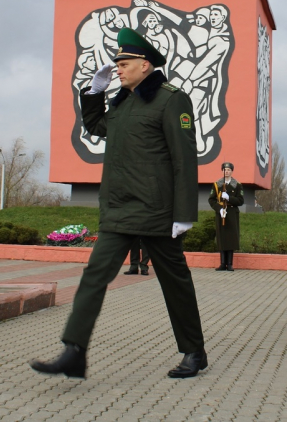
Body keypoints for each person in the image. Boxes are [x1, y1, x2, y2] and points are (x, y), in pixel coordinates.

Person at [30, 28, 207, 379]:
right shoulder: (122, 102)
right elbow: (96, 126)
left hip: (157, 212)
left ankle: (194, 351)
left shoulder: (171, 100)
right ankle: (74, 351)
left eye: (124, 63)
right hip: (119, 208)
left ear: (145, 65)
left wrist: (184, 213)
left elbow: (185, 159)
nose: (118, 69)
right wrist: (94, 93)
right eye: (117, 64)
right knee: (94, 275)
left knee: (176, 284)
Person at [208, 162, 244, 271]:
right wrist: (219, 209)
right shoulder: (217, 184)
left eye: (228, 170)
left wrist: (229, 198)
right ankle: (223, 263)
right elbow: (211, 200)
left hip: (232, 213)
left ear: (232, 171)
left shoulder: (237, 185)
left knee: (231, 237)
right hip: (221, 213)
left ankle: (230, 263)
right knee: (222, 237)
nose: (226, 172)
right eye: (224, 170)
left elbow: (241, 201)